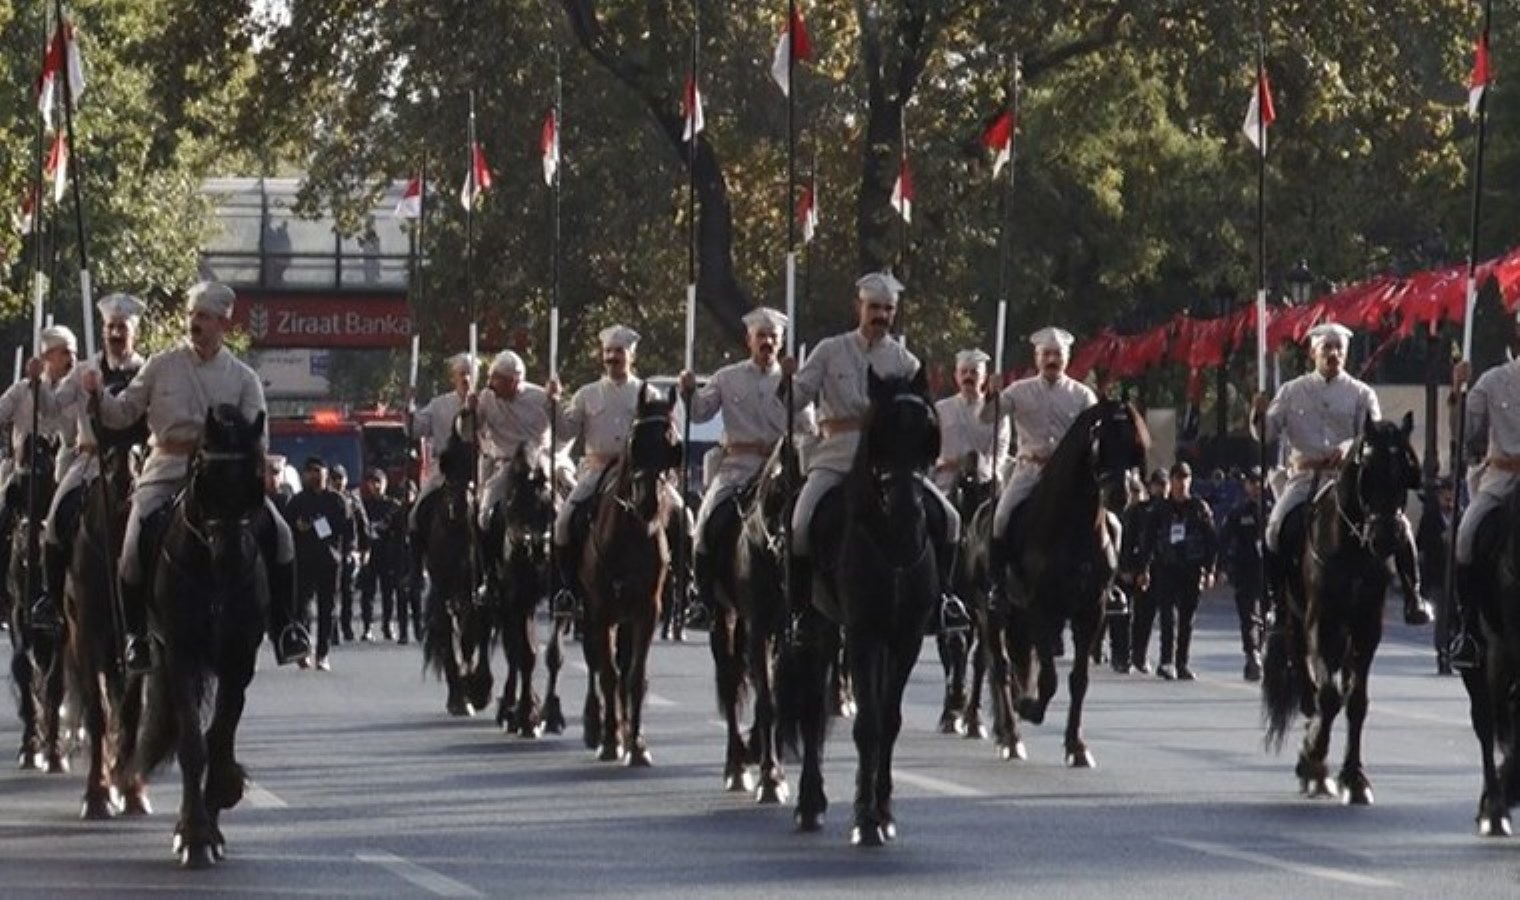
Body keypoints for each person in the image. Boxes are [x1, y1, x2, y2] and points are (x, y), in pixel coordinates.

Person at [86, 281, 309, 672]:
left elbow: (260, 438)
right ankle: (136, 635)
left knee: (282, 535)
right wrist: (97, 395)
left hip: (223, 480)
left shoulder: (243, 379)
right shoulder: (161, 365)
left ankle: (286, 626)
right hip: (167, 470)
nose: (195, 323)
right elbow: (121, 414)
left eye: (203, 317)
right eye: (191, 315)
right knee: (132, 546)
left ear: (224, 322)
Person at [780, 272, 962, 620]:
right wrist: (787, 379)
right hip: (837, 454)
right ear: (858, 308)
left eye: (888, 309)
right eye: (874, 307)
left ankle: (943, 601)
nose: (881, 315)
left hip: (889, 461)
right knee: (800, 524)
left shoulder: (905, 361)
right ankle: (799, 611)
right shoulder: (830, 350)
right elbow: (794, 401)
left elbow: (924, 417)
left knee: (950, 519)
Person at [1252, 322, 1432, 626]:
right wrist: (1257, 413)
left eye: (1340, 349)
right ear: (1313, 352)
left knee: (1398, 524)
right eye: (1327, 348)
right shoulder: (1291, 391)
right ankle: (1276, 600)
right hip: (1306, 479)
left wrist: (1349, 445)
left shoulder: (1362, 394)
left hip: (1350, 481)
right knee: (1274, 530)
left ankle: (1414, 596)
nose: (1334, 354)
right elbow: (1266, 434)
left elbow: (1374, 435)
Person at [37, 296, 149, 631]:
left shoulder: (147, 370)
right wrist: (38, 382)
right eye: (110, 327)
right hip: (89, 459)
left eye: (122, 327)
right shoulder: (84, 370)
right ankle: (51, 599)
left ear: (134, 333)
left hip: (137, 459)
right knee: (56, 519)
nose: (116, 333)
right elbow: (52, 407)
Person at [549, 325, 683, 603]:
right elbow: (565, 432)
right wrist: (553, 403)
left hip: (640, 473)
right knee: (563, 522)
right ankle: (568, 588)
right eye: (608, 351)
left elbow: (670, 437)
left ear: (631, 356)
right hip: (597, 470)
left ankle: (682, 585)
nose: (612, 357)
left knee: (685, 517)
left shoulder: (650, 395)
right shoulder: (587, 394)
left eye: (619, 352)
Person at [680, 307, 790, 609]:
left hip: (778, 470)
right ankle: (703, 593)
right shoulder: (727, 378)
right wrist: (689, 392)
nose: (767, 341)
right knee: (704, 524)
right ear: (749, 340)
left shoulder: (793, 381)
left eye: (773, 337)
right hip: (737, 469)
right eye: (761, 336)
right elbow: (700, 413)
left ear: (781, 342)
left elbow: (805, 427)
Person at [986, 326, 1099, 577]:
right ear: (1037, 357)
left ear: (1067, 358)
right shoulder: (1018, 390)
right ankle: (997, 581)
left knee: (1106, 522)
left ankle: (1107, 581)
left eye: (1057, 354)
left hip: (1069, 476)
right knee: (1001, 517)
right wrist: (991, 394)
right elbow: (987, 417)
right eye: (1046, 354)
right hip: (1029, 470)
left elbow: (1096, 433)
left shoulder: (1083, 395)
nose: (1051, 360)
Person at [1449, 314, 1520, 670]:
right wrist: (1457, 393)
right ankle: (1468, 628)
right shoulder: (1494, 381)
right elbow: (1465, 433)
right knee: (1465, 538)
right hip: (1503, 477)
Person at [5, 325, 80, 628]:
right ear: (47, 356)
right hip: (24, 470)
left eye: (73, 352)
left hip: (65, 469)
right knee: (3, 511)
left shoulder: (75, 391)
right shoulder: (24, 389)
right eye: (63, 353)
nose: (70, 359)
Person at [1144, 461, 1217, 681]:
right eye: (1178, 478)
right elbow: (1148, 539)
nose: (1181, 483)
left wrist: (1210, 569)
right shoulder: (1160, 509)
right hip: (1166, 567)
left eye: (1185, 478)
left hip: (1191, 568)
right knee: (1168, 616)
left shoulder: (1199, 508)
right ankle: (1166, 661)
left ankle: (1181, 662)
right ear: (1172, 481)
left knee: (1187, 618)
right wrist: (1143, 568)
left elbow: (1211, 540)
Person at [474, 350, 553, 533]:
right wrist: (468, 411)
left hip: (537, 463)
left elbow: (564, 432)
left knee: (562, 503)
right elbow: (468, 430)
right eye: (490, 377)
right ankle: (485, 557)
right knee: (484, 514)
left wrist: (555, 402)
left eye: (496, 379)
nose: (490, 384)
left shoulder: (541, 398)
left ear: (514, 381)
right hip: (505, 464)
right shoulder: (486, 397)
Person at [285, 457, 351, 670]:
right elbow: (286, 529)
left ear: (325, 474)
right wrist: (298, 528)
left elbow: (347, 530)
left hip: (329, 562)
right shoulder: (297, 502)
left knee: (327, 608)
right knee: (301, 608)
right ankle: (304, 648)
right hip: (303, 561)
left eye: (318, 471)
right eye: (310, 471)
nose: (314, 475)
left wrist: (350, 553)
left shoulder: (337, 501)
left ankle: (323, 653)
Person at [409, 353, 475, 533]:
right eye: (461, 373)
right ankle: (418, 558)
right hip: (444, 471)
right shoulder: (439, 404)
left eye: (469, 373)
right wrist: (409, 409)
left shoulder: (487, 401)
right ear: (453, 377)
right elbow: (415, 430)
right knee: (415, 516)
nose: (466, 378)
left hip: (476, 471)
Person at [1219, 467, 1271, 681]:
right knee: (1248, 617)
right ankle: (1252, 653)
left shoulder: (1273, 510)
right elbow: (1224, 540)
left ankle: (1265, 651)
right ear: (1246, 485)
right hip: (1245, 571)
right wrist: (1221, 567)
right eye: (1252, 482)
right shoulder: (1238, 512)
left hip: (1269, 573)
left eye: (1260, 482)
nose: (1256, 486)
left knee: (1268, 616)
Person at [933, 349, 1010, 493]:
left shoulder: (997, 410)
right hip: (945, 482)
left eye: (974, 372)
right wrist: (943, 465)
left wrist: (979, 468)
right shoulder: (941, 409)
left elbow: (999, 452)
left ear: (984, 377)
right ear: (956, 376)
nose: (968, 376)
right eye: (964, 372)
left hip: (983, 483)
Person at [1128, 469, 1169, 674]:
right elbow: (1130, 540)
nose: (1162, 488)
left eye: (1164, 484)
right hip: (1146, 567)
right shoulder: (1140, 510)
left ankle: (1168, 660)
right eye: (1158, 484)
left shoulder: (1174, 508)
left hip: (1169, 566)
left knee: (1169, 617)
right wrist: (1131, 567)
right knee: (1143, 615)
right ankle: (1138, 654)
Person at [359, 468, 406, 641]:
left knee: (388, 592)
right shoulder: (364, 505)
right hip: (369, 553)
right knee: (368, 592)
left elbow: (400, 528)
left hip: (388, 553)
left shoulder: (392, 505)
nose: (375, 486)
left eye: (378, 482)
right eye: (372, 482)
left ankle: (387, 625)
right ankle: (367, 626)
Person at [1416, 476, 1456, 674]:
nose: (1448, 499)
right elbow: (1421, 546)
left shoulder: (1460, 515)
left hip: (1457, 576)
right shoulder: (1430, 517)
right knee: (1442, 616)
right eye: (1445, 494)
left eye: (1451, 494)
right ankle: (1443, 652)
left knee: (1456, 615)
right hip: (1438, 576)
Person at [328, 464, 368, 643]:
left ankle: (347, 626)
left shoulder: (353, 500)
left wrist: (364, 549)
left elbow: (363, 525)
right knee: (331, 593)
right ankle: (333, 629)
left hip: (349, 552)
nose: (338, 482)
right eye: (334, 478)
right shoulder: (324, 499)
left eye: (340, 478)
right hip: (329, 552)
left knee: (348, 593)